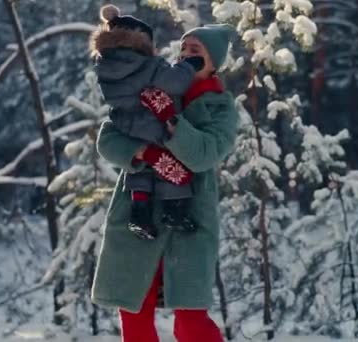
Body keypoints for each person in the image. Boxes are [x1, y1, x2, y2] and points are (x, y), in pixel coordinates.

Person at [91, 23, 238, 342]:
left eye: (195, 51)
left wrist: (170, 120)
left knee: (190, 323)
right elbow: (108, 138)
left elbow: (204, 154)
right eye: (183, 49)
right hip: (138, 216)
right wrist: (145, 153)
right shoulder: (156, 86)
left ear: (214, 61)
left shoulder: (222, 108)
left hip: (189, 222)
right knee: (134, 314)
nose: (186, 55)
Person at [90, 4, 206, 240]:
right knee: (170, 165)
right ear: (141, 43)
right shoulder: (148, 65)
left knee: (141, 170)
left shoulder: (105, 68)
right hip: (153, 123)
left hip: (127, 126)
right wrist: (188, 66)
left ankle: (139, 213)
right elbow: (175, 82)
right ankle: (174, 211)